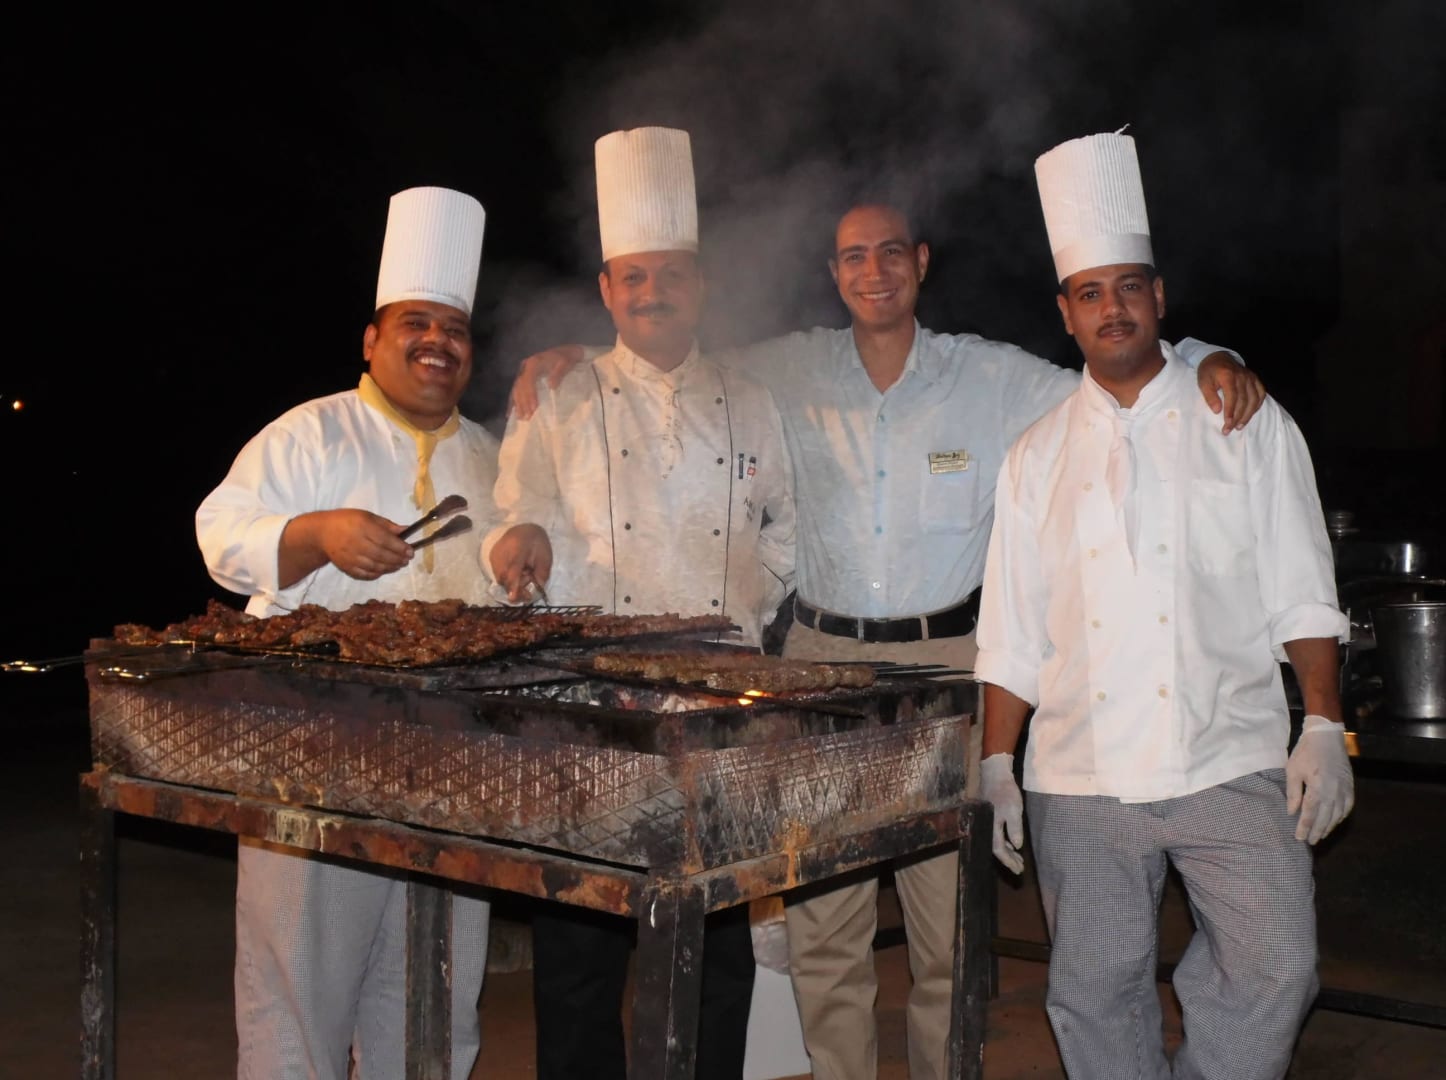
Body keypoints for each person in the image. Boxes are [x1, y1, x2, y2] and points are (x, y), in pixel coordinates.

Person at [509, 198, 1266, 1080]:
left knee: (945, 921)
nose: (874, 271)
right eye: (854, 257)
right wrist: (574, 357)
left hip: (945, 668)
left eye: (891, 253)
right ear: (835, 275)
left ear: (921, 261)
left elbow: (1113, 374)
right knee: (825, 922)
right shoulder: (788, 368)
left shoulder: (988, 375)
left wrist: (1206, 356)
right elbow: (664, 360)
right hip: (821, 669)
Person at [975, 131, 1353, 1080]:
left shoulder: (1243, 418)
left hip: (1230, 754)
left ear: (1160, 297)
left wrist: (1322, 725)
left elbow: (1302, 586)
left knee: (1278, 966)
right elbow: (1013, 630)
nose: (1113, 308)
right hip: (1080, 773)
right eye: (1089, 293)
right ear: (1065, 313)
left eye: (1129, 287)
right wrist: (995, 762)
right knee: (1094, 990)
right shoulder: (1034, 455)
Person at [481, 127, 795, 1080]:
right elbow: (511, 510)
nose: (652, 290)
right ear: (607, 289)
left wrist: (745, 618)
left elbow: (785, 532)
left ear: (700, 285)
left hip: (718, 703)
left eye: (670, 274)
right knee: (581, 948)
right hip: (591, 704)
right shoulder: (559, 393)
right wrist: (517, 542)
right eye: (632, 276)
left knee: (717, 941)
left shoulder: (752, 396)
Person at [195, 186, 498, 1080]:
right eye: (416, 323)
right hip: (312, 749)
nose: (437, 341)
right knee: (301, 988)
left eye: (455, 328)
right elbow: (220, 533)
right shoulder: (311, 433)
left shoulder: (493, 457)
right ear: (371, 340)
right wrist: (315, 533)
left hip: (457, 761)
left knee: (433, 990)